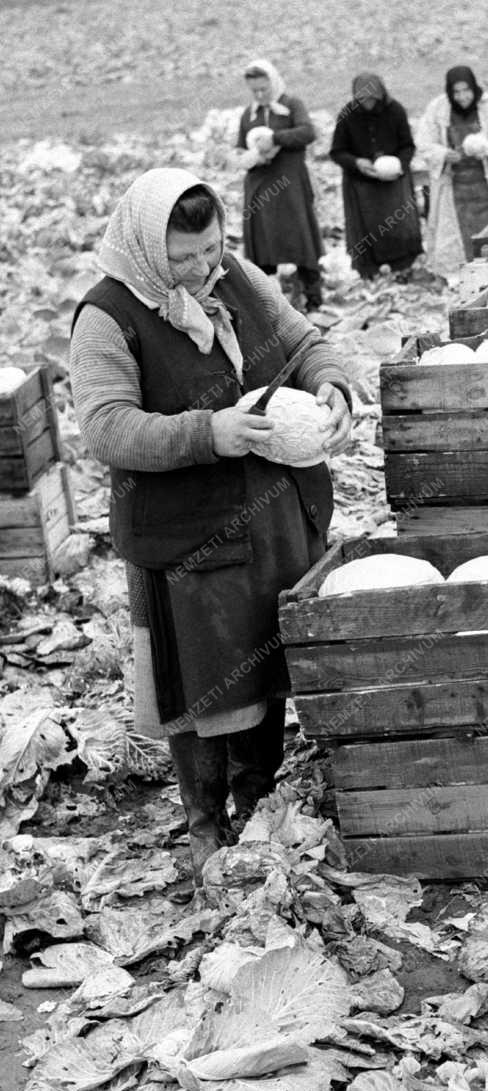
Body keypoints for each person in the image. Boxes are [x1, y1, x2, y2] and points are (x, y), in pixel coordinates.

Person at [69, 168, 352, 877]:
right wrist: (207, 432)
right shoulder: (108, 315)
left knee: (267, 660)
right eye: (184, 258)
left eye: (211, 250)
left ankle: (259, 798)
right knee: (199, 682)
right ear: (144, 247)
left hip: (275, 516)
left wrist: (335, 384)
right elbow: (106, 427)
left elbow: (303, 341)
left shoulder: (238, 276)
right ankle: (205, 818)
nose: (202, 269)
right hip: (188, 537)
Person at [415, 64, 488, 277]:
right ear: (450, 93)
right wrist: (444, 154)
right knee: (457, 237)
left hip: (487, 183)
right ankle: (462, 274)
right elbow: (424, 143)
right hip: (456, 186)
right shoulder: (438, 109)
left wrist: (487, 149)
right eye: (457, 92)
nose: (462, 97)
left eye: (466, 90)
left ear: (474, 88)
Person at [237, 58, 324, 311]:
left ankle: (313, 297)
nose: (260, 95)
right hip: (259, 184)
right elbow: (241, 145)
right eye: (255, 91)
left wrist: (276, 138)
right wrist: (248, 156)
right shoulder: (249, 114)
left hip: (290, 185)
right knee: (264, 241)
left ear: (273, 82)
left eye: (264, 89)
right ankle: (266, 302)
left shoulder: (291, 104)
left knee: (299, 238)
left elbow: (307, 133)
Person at [328, 73, 423, 281]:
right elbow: (337, 151)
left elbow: (407, 145)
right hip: (362, 187)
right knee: (368, 235)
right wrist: (357, 163)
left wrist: (399, 165)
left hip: (393, 185)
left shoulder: (395, 111)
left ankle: (403, 272)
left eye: (372, 99)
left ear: (381, 96)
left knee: (398, 228)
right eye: (362, 100)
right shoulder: (348, 114)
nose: (367, 104)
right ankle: (371, 274)